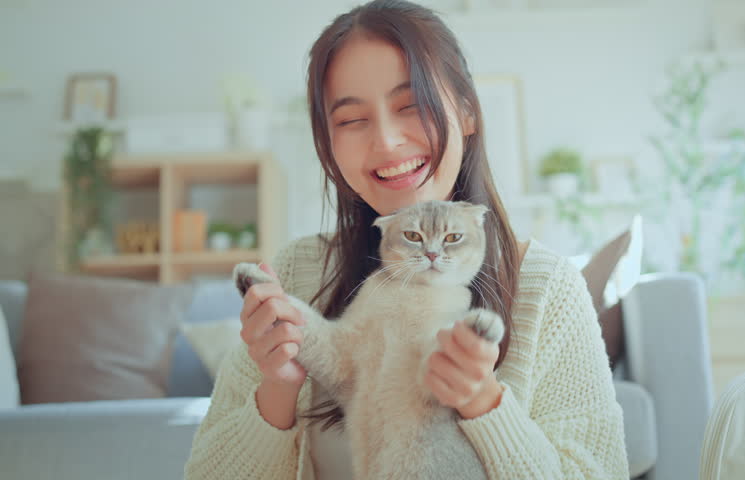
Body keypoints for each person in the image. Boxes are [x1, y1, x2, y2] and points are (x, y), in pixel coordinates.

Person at [184, 1, 629, 478]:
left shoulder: (547, 290)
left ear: (465, 111)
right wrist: (279, 388)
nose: (387, 141)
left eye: (411, 105)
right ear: (327, 143)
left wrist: (484, 403)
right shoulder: (298, 271)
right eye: (352, 120)